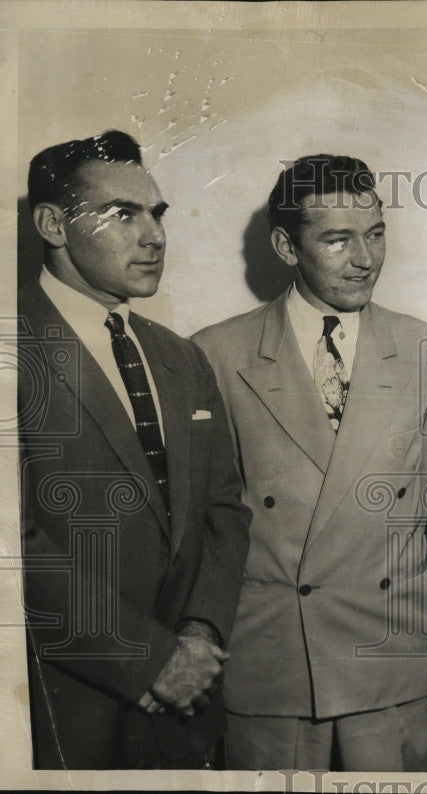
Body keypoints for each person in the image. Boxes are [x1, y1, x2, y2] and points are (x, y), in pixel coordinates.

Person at [192, 155, 427, 771]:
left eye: (376, 233)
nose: (366, 259)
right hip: (273, 664)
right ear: (285, 244)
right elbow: (207, 526)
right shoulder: (215, 354)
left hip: (388, 662)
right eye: (337, 239)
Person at [18, 130, 251, 769]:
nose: (154, 236)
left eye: (157, 214)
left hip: (189, 712)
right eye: (123, 213)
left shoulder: (181, 356)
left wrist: (201, 636)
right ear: (53, 224)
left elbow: (224, 512)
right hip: (66, 711)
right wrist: (146, 659)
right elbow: (15, 546)